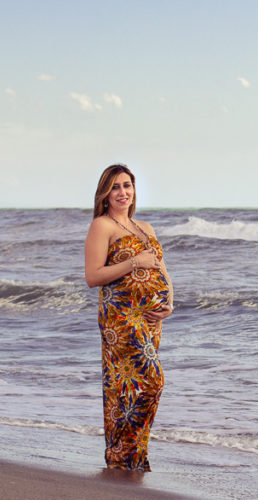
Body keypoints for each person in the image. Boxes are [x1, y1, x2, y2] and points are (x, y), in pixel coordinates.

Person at [84, 164, 173, 471]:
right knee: (153, 380)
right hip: (120, 319)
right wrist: (136, 261)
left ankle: (133, 456)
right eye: (116, 187)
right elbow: (93, 276)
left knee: (133, 387)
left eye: (127, 185)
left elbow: (162, 269)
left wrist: (169, 303)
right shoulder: (102, 226)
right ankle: (122, 452)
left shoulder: (145, 228)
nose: (123, 192)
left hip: (150, 320)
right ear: (105, 195)